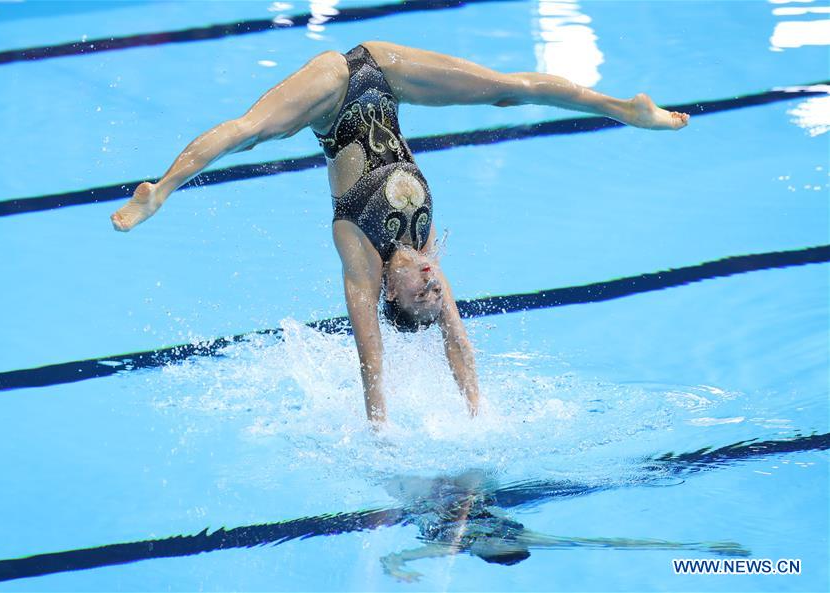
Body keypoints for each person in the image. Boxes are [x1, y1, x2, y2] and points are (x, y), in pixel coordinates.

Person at [110, 41, 690, 426]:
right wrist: (477, 408)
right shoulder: (425, 245)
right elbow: (457, 338)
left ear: (393, 291)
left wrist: (378, 422)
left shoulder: (357, 248)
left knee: (254, 133)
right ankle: (624, 110)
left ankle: (159, 191)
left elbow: (370, 352)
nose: (434, 282)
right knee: (506, 88)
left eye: (423, 293)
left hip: (332, 93)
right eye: (436, 290)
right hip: (386, 73)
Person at [379, 472, 748, 583]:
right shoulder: (518, 537)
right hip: (470, 490)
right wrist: (698, 546)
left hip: (423, 493)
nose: (494, 537)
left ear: (482, 553)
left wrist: (398, 568)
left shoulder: (452, 547)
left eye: (491, 540)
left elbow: (394, 556)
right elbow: (613, 544)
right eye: (498, 537)